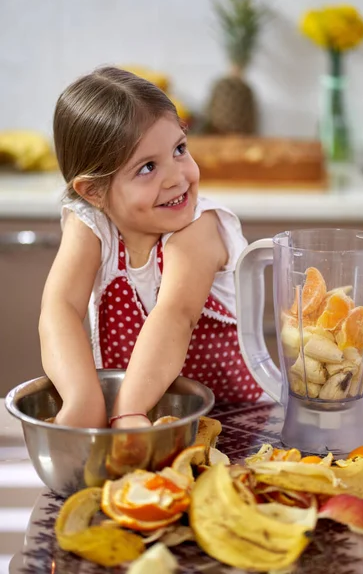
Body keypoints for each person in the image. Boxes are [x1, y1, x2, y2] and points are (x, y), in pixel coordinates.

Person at [39, 66, 262, 430]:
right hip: (141, 417)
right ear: (94, 192)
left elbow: (175, 314)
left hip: (236, 418)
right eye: (146, 168)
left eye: (179, 149)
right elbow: (60, 308)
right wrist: (82, 397)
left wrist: (127, 410)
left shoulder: (199, 226)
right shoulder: (90, 224)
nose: (176, 177)